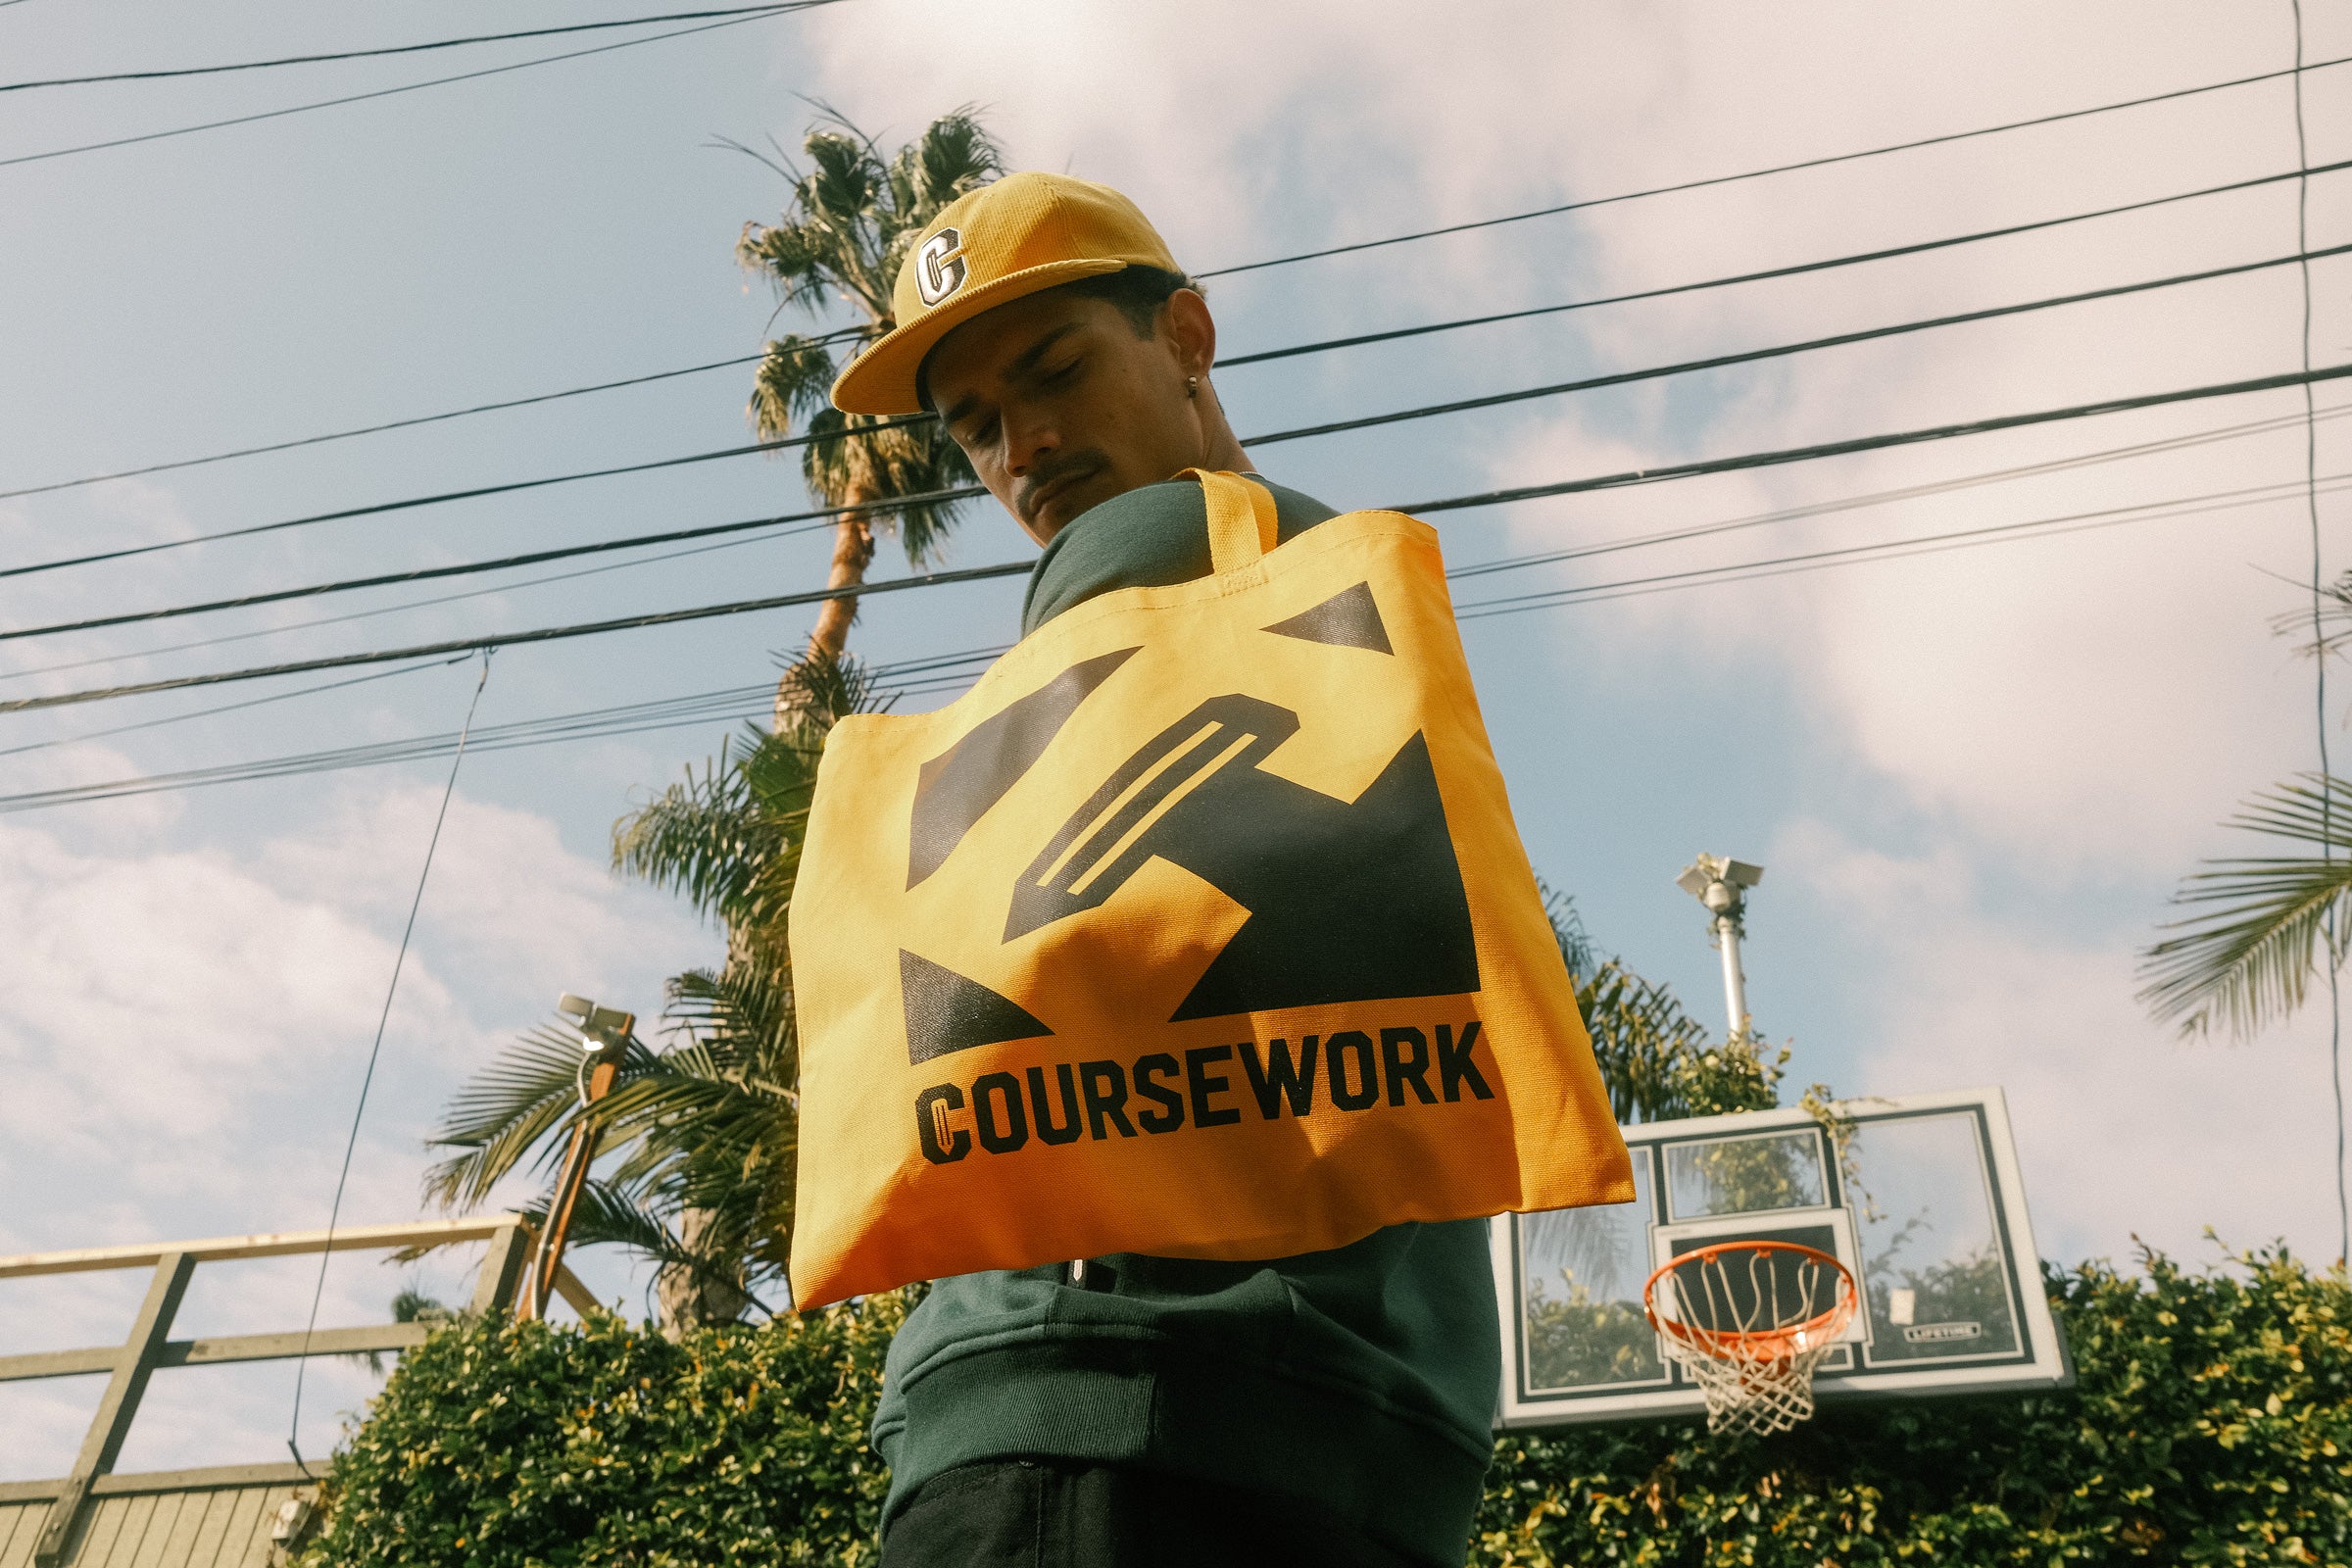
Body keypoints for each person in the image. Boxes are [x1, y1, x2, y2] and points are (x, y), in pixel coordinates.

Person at [828, 172, 1500, 1568]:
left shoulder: (1145, 542)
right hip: (1371, 1426)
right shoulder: (1339, 589)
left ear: (1188, 337)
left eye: (1056, 370)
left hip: (1101, 1409)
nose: (1025, 444)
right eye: (975, 426)